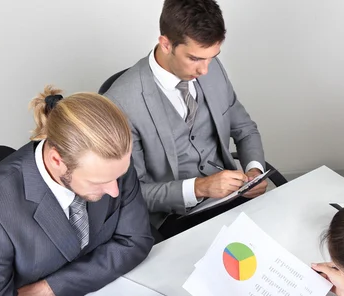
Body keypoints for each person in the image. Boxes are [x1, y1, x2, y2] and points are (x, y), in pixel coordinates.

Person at [0, 86, 156, 296]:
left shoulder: (112, 162)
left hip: (109, 294)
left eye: (117, 177)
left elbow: (136, 241)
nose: (114, 191)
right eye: (100, 182)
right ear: (57, 160)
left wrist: (50, 289)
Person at [104, 0, 267, 239]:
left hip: (232, 198)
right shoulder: (120, 103)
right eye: (195, 59)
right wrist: (200, 187)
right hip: (175, 218)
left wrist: (254, 171)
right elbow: (132, 194)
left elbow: (244, 128)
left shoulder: (212, 69)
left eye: (212, 57)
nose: (205, 71)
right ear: (166, 44)